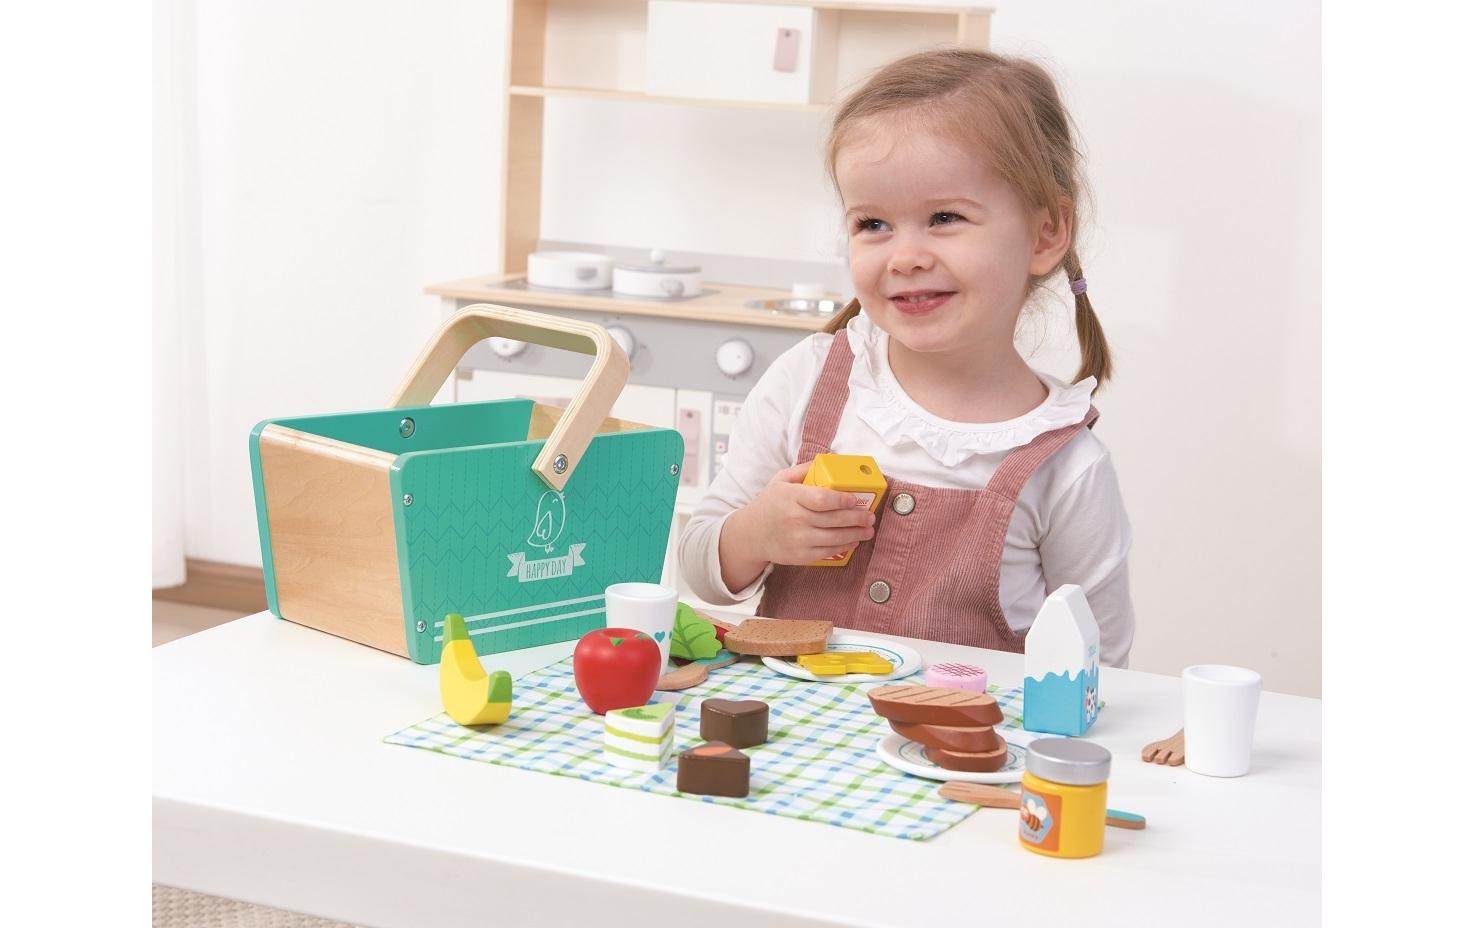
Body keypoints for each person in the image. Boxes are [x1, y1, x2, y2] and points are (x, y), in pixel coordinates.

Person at [678, 47, 1134, 666]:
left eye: (944, 217)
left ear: (1046, 232)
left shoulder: (1066, 463)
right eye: (873, 224)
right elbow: (700, 566)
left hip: (960, 757)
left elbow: (1100, 666)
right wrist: (760, 532)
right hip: (790, 749)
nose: (904, 256)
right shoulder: (808, 381)